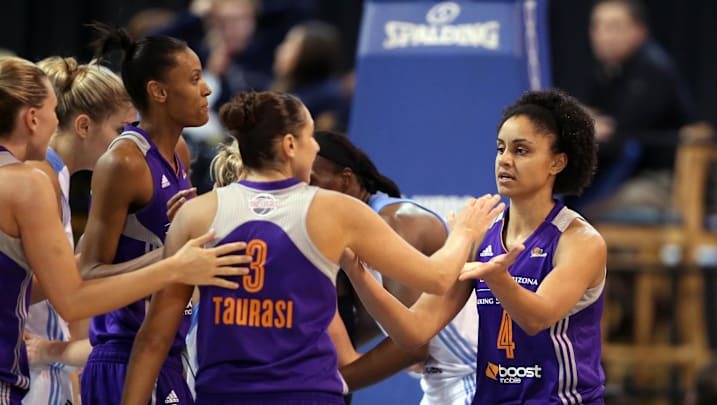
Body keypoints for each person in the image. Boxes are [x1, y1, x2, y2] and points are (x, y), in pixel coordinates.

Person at [121, 90, 504, 404]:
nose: (316, 150)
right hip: (306, 394)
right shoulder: (336, 211)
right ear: (290, 145)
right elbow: (438, 279)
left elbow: (154, 338)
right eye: (310, 138)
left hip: (221, 393)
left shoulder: (196, 215)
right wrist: (464, 233)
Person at [0, 55, 249, 405]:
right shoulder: (31, 181)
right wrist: (174, 263)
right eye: (55, 111)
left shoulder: (42, 180)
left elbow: (32, 283)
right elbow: (72, 299)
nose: (57, 122)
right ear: (31, 117)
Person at [341, 89, 607, 404]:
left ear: (557, 162)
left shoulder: (580, 241)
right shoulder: (481, 235)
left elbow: (537, 319)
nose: (505, 160)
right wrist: (358, 273)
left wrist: (497, 278)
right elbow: (412, 332)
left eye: (521, 150)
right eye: (500, 148)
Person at [76, 24, 222, 404]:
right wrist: (171, 256)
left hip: (169, 352)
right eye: (193, 79)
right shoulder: (123, 162)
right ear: (158, 92)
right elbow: (86, 274)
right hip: (124, 357)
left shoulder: (181, 154)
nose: (206, 88)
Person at [309, 131, 478, 404]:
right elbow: (372, 321)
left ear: (346, 180)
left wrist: (324, 382)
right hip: (444, 378)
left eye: (312, 183)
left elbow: (413, 345)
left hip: (472, 372)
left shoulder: (394, 223)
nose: (306, 196)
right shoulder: (358, 229)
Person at [19, 56, 138, 405]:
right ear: (83, 126)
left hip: (43, 369)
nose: (128, 144)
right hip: (26, 372)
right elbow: (21, 284)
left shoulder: (58, 179)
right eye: (121, 130)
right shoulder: (42, 178)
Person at [573, 0, 696, 218]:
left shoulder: (653, 70)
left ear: (639, 31)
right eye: (597, 26)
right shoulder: (609, 71)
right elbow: (592, 119)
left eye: (614, 27)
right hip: (628, 174)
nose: (603, 35)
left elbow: (619, 132)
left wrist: (592, 123)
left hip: (666, 180)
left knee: (583, 215)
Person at [272, 21, 351, 131]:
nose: (280, 50)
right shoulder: (282, 88)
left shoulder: (327, 97)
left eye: (291, 45)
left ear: (311, 55)